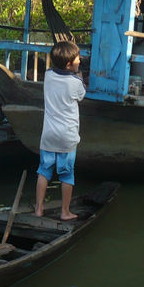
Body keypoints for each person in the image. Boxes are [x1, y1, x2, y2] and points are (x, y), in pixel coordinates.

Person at [34, 40, 85, 220]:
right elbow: (81, 95)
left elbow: (58, 73)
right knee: (66, 174)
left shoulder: (48, 75)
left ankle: (39, 209)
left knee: (44, 171)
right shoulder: (75, 82)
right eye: (78, 59)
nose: (80, 60)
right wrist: (79, 76)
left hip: (48, 134)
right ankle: (65, 211)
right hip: (67, 136)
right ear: (70, 63)